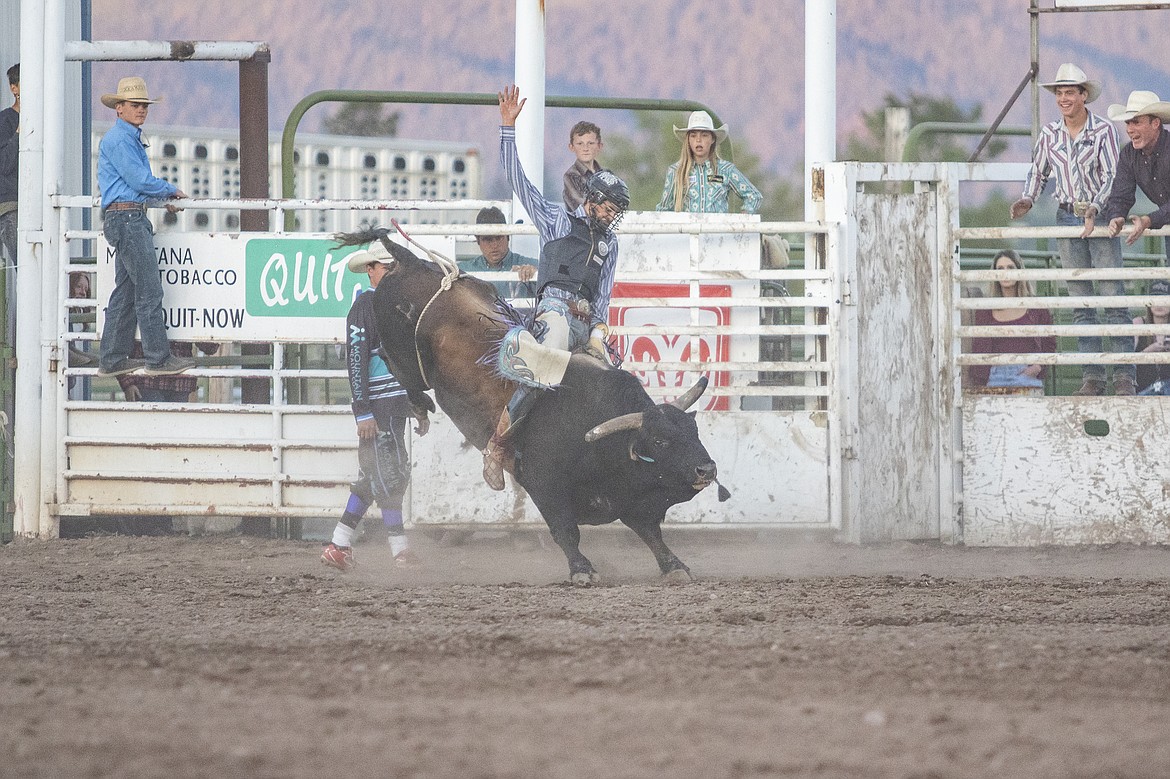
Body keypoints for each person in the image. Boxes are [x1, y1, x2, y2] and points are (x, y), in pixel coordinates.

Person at [487, 83, 630, 490]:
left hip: (586, 321)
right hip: (555, 309)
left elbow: (602, 296)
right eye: (610, 207)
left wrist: (601, 329)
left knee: (610, 379)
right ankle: (498, 445)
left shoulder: (610, 243)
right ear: (593, 199)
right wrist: (507, 128)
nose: (613, 215)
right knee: (546, 364)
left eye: (617, 210)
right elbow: (520, 182)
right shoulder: (556, 220)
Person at [1009, 63, 1134, 397]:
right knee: (1081, 301)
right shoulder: (1050, 135)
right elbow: (1038, 171)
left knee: (1112, 296)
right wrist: (1028, 199)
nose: (1063, 98)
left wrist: (1095, 205)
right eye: (1059, 93)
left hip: (1102, 216)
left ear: (1083, 96)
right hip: (1067, 216)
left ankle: (1124, 375)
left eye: (1069, 92)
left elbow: (1113, 176)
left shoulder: (1104, 131)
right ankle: (1092, 376)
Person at [321, 244, 420, 571]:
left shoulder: (397, 306)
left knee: (376, 472)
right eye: (376, 268)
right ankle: (399, 551)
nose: (373, 273)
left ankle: (339, 544)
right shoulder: (366, 305)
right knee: (390, 472)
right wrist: (362, 411)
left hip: (392, 405)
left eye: (376, 267)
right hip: (378, 407)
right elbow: (355, 359)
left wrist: (415, 403)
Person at [96, 76, 191, 378]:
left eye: (143, 106)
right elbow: (138, 181)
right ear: (120, 108)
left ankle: (112, 358)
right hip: (128, 219)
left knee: (125, 292)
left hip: (124, 217)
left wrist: (161, 194)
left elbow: (133, 184)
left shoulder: (122, 138)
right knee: (149, 291)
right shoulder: (123, 140)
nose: (141, 110)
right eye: (136, 105)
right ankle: (157, 358)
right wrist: (168, 190)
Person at [967, 250, 1056, 391]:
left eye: (1010, 267)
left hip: (1025, 374)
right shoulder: (985, 309)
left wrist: (1038, 367)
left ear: (1019, 270)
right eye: (1000, 268)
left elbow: (1049, 342)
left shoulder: (1036, 307)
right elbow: (979, 347)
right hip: (994, 375)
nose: (1005, 272)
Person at [1101, 90, 1170, 261]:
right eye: (1128, 123)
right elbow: (1121, 194)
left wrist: (1149, 220)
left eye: (1136, 122)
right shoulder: (1129, 154)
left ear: (1155, 123)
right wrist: (1116, 216)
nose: (1130, 129)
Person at [656, 110, 761, 214]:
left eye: (704, 135)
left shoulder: (725, 170)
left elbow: (754, 196)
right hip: (689, 230)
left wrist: (742, 219)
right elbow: (664, 209)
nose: (698, 140)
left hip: (717, 230)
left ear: (712, 139)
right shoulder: (676, 171)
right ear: (688, 140)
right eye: (693, 135)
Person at [458, 206, 537, 299]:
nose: (494, 245)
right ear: (478, 240)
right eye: (488, 239)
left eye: (499, 238)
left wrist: (535, 276)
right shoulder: (463, 271)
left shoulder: (533, 267)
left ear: (507, 236)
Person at [117, 341, 219, 402]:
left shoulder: (189, 307)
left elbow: (210, 347)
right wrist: (127, 382)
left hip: (179, 383)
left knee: (174, 434)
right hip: (147, 381)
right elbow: (119, 342)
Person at [1132, 279, 1170, 395]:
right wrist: (1148, 352)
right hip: (1144, 392)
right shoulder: (1138, 323)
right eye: (1155, 299)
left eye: (1164, 300)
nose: (1159, 304)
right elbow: (1126, 364)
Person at [563, 120, 603, 211]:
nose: (585, 148)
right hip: (579, 224)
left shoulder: (604, 175)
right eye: (580, 144)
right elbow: (582, 205)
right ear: (572, 147)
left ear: (599, 146)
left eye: (590, 143)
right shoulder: (570, 176)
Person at [0, 63, 18, 269]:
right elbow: (4, 164)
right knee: (25, 264)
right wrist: (19, 134)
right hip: (10, 204)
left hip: (36, 202)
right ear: (14, 88)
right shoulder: (5, 120)